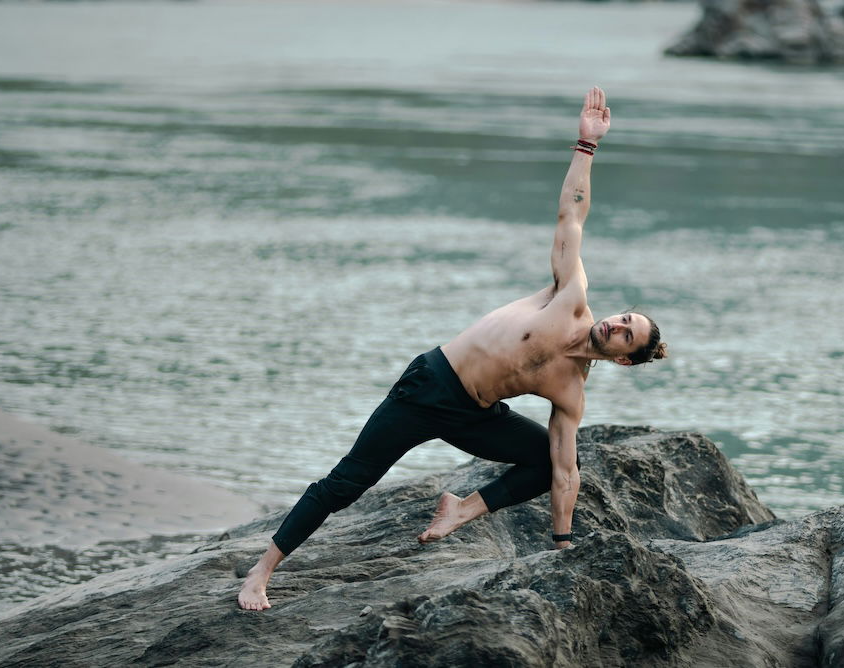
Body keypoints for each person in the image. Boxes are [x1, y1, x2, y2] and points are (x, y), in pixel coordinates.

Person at [238, 86, 668, 611]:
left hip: (474, 413)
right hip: (430, 384)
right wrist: (586, 146)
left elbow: (563, 473)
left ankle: (460, 510)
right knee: (346, 482)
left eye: (627, 334)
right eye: (623, 318)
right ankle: (260, 573)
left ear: (624, 358)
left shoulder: (570, 391)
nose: (616, 326)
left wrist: (563, 545)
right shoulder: (569, 295)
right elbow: (571, 216)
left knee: (550, 456)